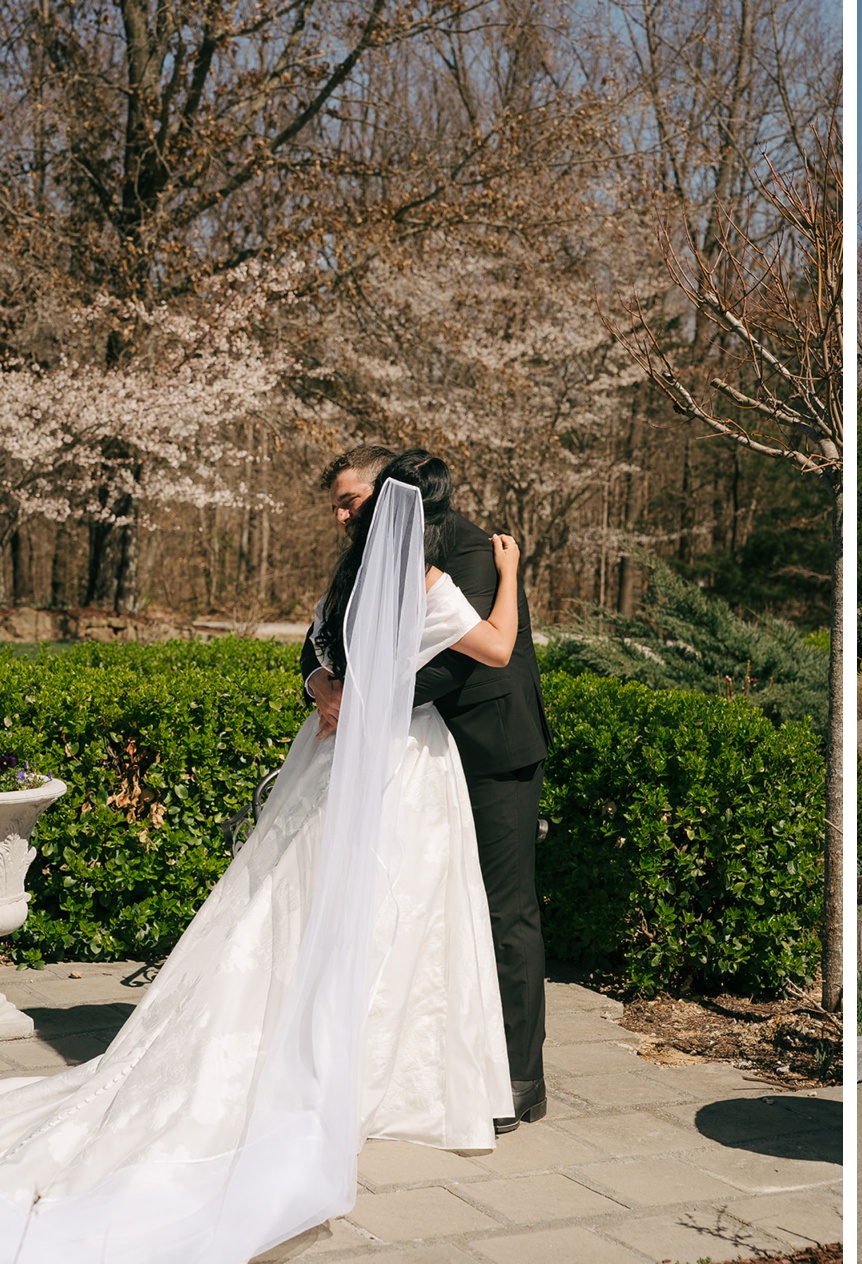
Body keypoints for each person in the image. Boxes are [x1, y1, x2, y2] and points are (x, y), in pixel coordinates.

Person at [0, 458, 521, 1261]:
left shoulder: (349, 582)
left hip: (329, 755)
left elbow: (321, 646)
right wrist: (511, 576)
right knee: (397, 908)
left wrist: (324, 686)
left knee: (302, 899)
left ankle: (310, 1049)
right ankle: (366, 1075)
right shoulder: (432, 585)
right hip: (400, 759)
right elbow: (499, 649)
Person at [302, 446, 551, 1133]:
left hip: (490, 750)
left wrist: (360, 700)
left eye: (351, 502)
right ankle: (436, 1061)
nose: (343, 519)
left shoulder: (474, 552)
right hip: (411, 753)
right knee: (420, 905)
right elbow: (321, 636)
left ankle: (520, 1076)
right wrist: (322, 685)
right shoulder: (372, 553)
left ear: (388, 492)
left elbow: (456, 667)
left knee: (503, 909)